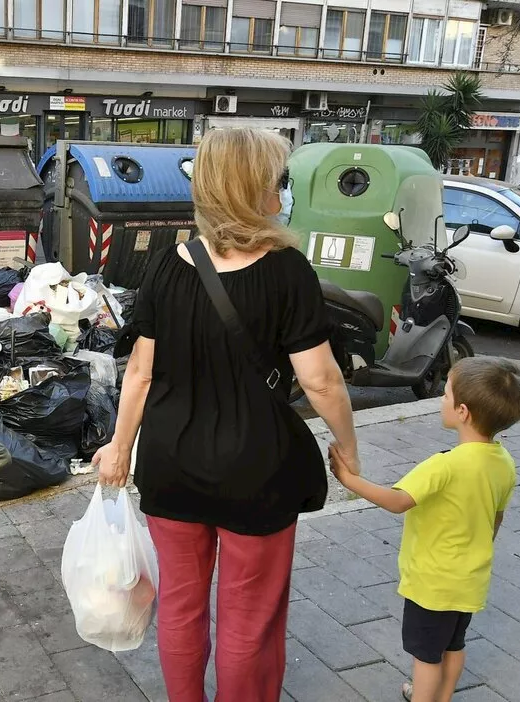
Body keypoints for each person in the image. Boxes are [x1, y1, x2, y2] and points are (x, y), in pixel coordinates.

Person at [92, 128, 359, 702]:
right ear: (255, 188)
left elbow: (139, 372)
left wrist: (119, 447)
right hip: (256, 470)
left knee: (182, 609)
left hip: (170, 464)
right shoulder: (288, 270)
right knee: (249, 618)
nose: (281, 192)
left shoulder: (168, 265)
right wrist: (349, 450)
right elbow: (320, 379)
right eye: (278, 181)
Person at [328, 357, 520, 702]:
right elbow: (496, 518)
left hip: (433, 581)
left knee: (426, 656)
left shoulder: (444, 465)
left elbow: (397, 501)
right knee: (454, 644)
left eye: (446, 394)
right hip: (470, 577)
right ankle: (443, 697)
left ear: (463, 411)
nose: (442, 400)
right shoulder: (504, 463)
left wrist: (349, 479)